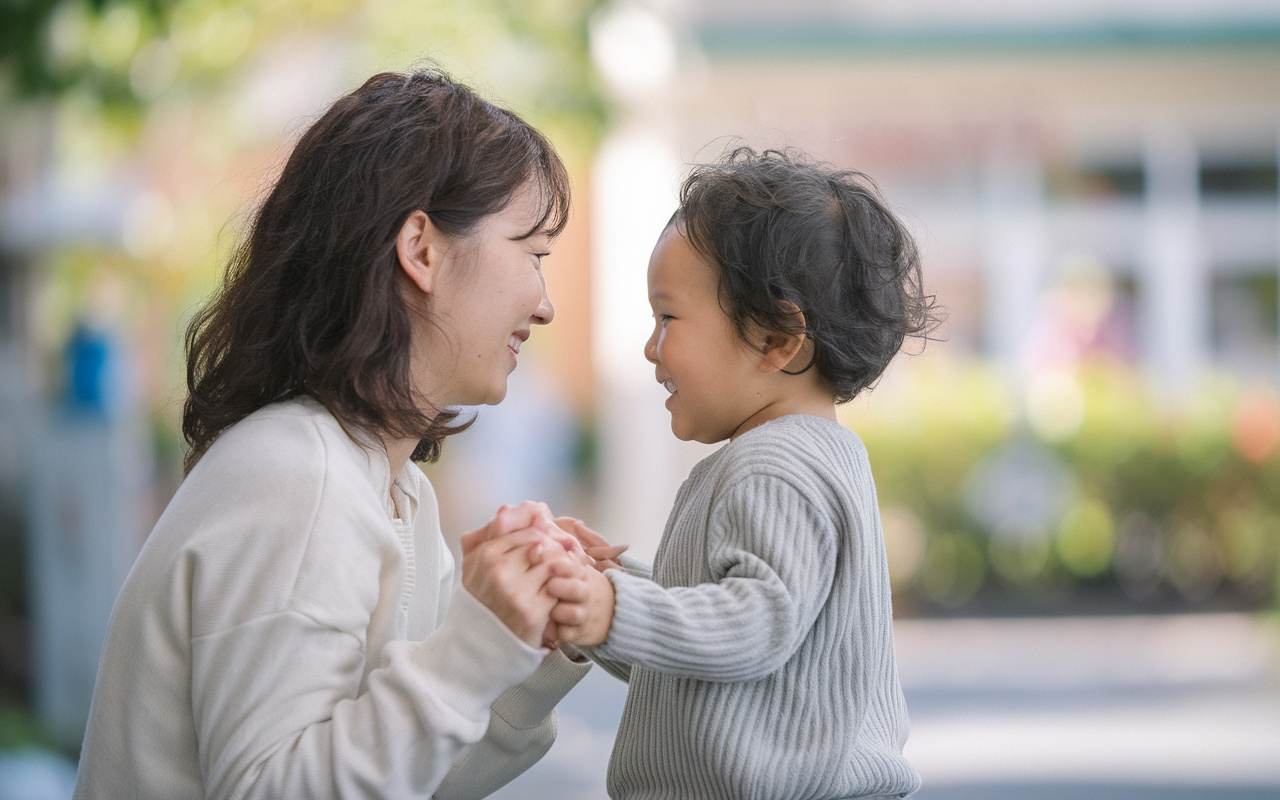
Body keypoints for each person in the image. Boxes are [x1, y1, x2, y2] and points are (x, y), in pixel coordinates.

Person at [73, 69, 596, 800]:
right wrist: (475, 644)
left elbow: (411, 774)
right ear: (421, 249)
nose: (543, 305)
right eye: (533, 253)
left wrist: (528, 646)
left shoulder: (394, 487)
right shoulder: (300, 471)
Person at [541, 146, 940, 799]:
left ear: (779, 338)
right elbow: (720, 645)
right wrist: (612, 588)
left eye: (667, 318)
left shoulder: (778, 465)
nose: (650, 348)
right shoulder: (807, 456)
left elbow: (754, 623)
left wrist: (612, 608)